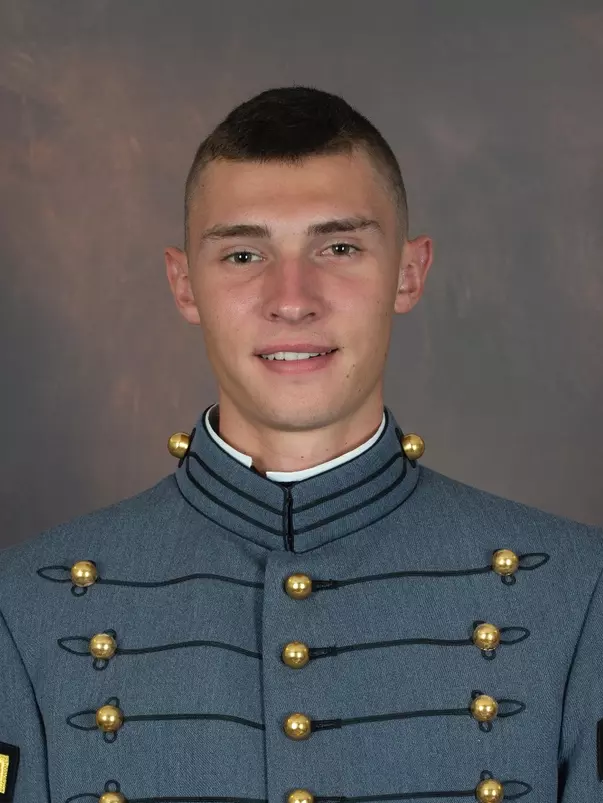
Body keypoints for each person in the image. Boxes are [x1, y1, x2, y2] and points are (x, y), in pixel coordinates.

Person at [0, 85, 601, 803]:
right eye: (243, 253)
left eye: (339, 246)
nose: (292, 297)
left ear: (408, 273)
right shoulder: (24, 607)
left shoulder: (576, 590)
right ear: (183, 282)